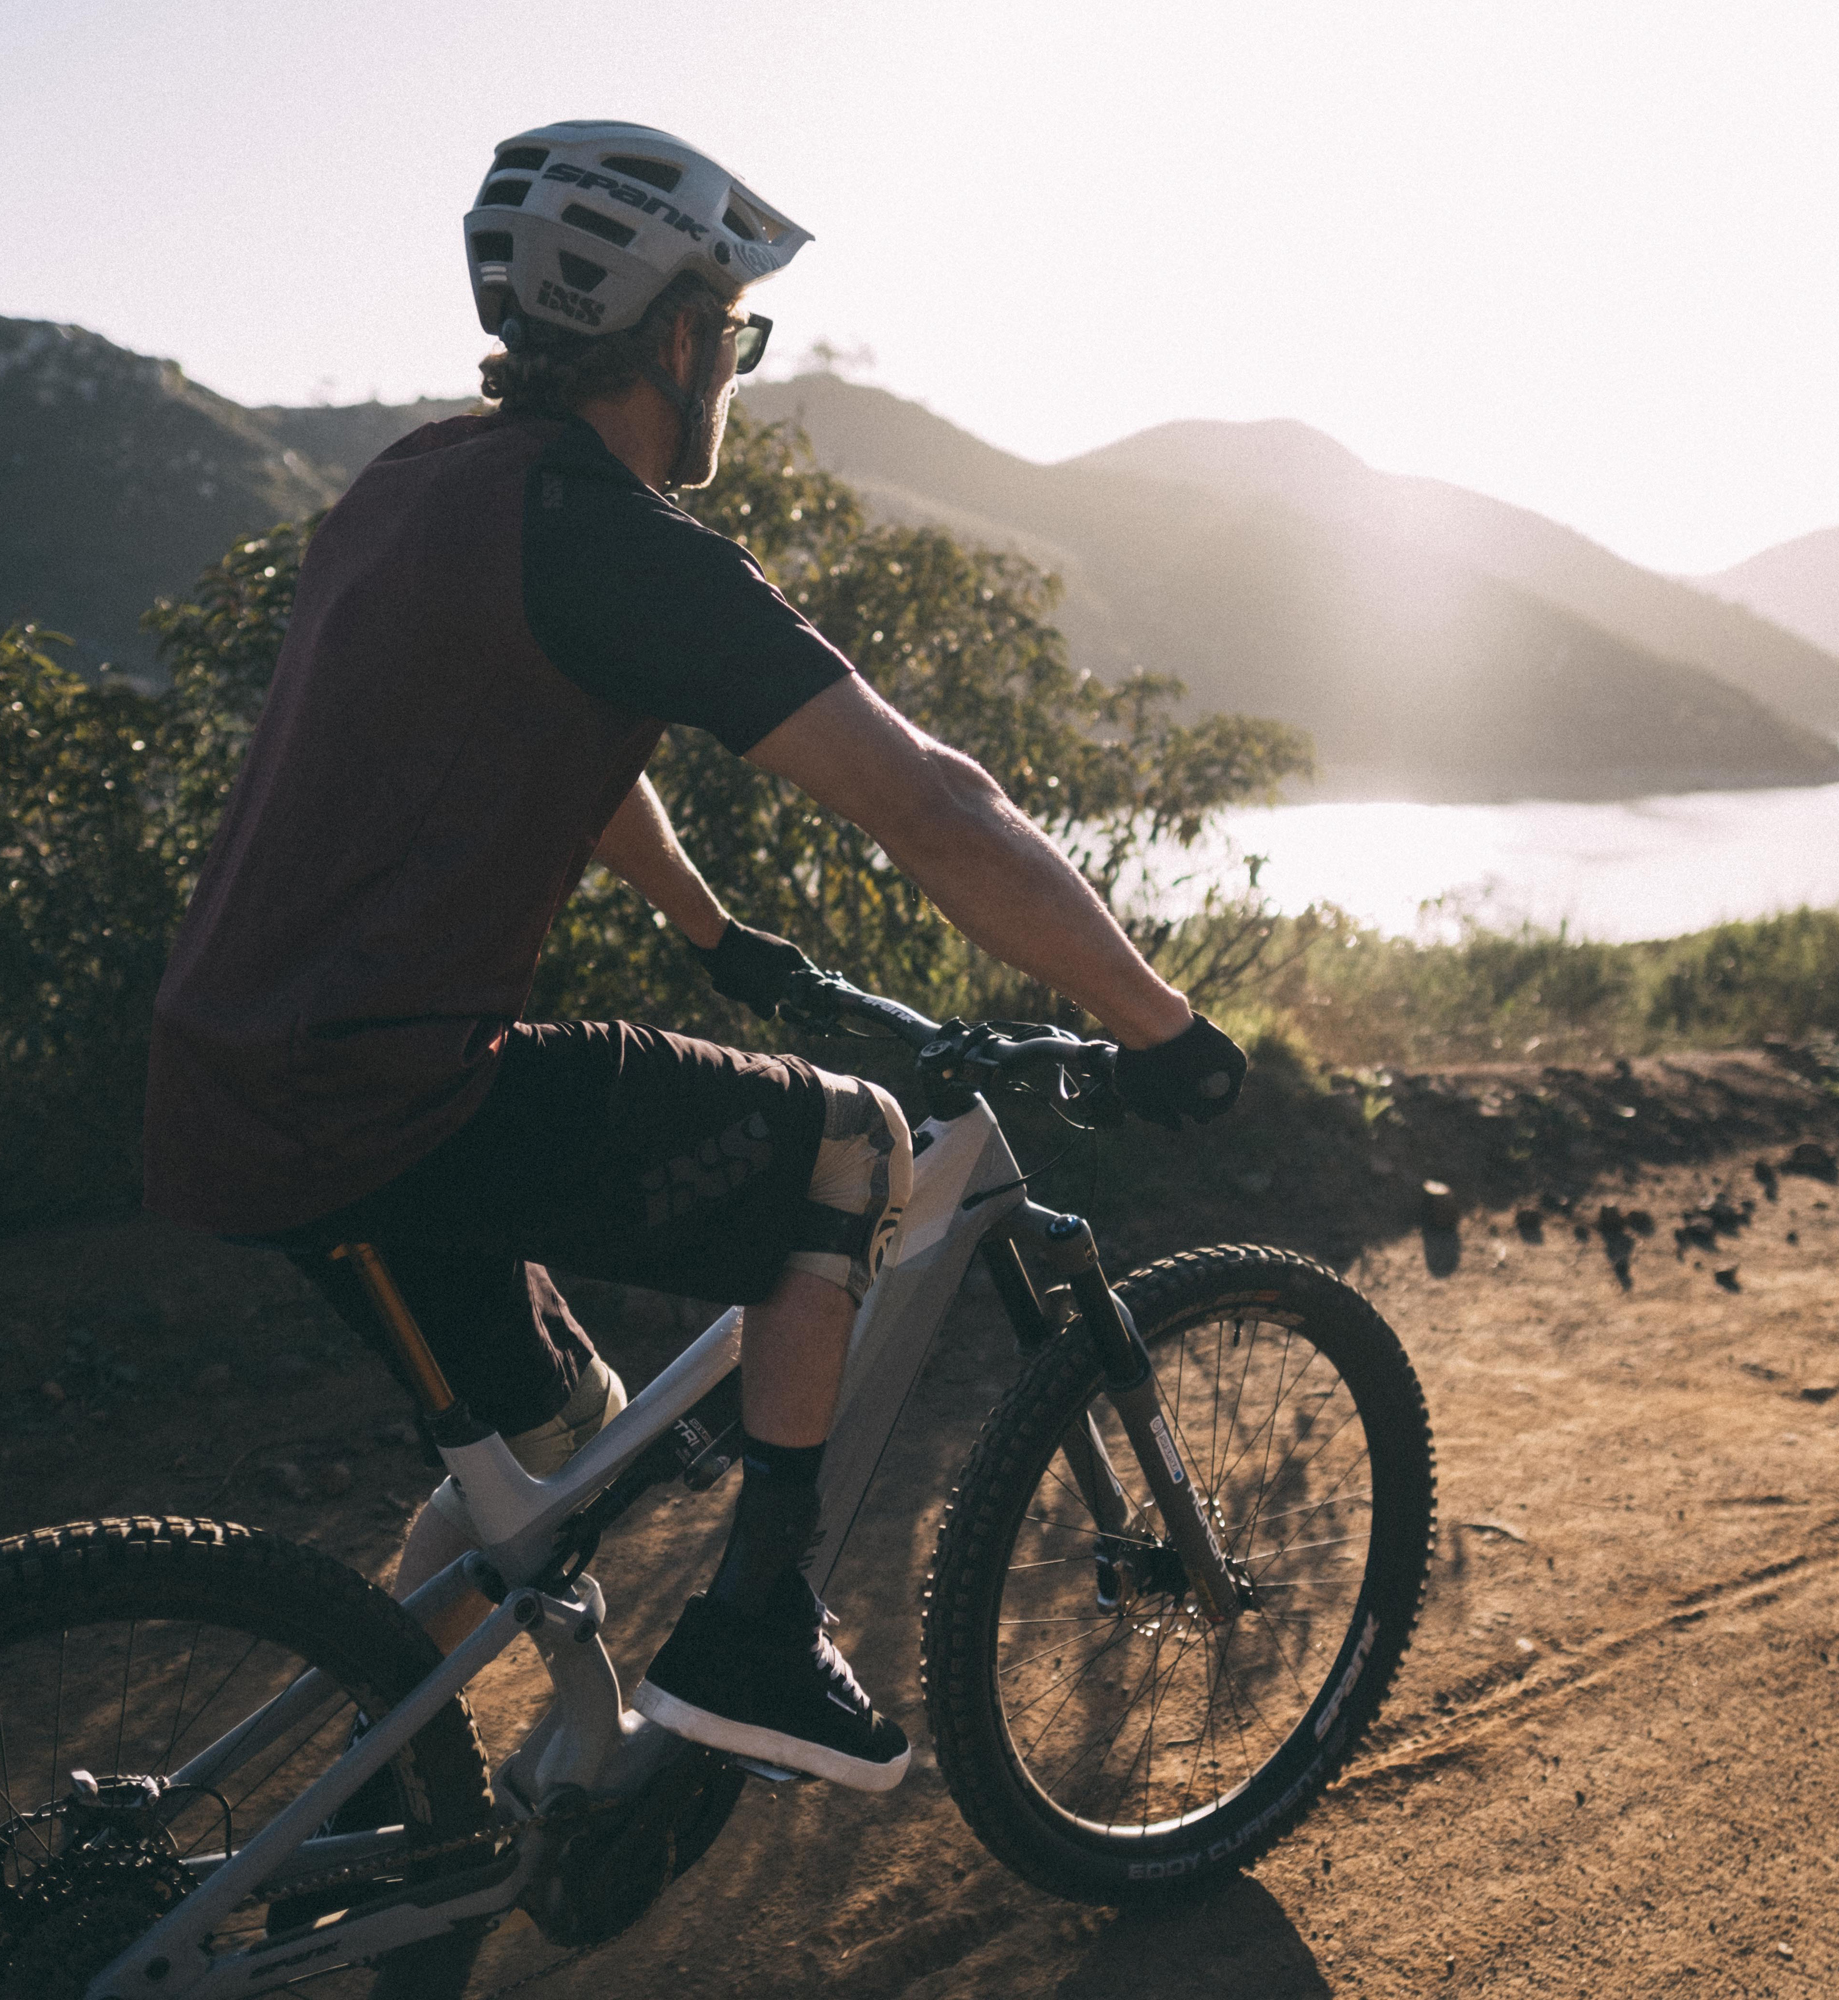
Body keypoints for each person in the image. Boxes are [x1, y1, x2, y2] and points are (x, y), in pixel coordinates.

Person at [142, 120, 1247, 1793]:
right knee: (853, 1144)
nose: (732, 357)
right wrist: (1161, 1028)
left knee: (556, 1444)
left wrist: (722, 938)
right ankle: (757, 1634)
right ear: (673, 332)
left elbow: (571, 740)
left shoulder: (418, 487)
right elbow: (936, 807)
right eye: (731, 325)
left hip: (236, 1081)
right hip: (383, 1095)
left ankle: (366, 1800)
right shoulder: (614, 543)